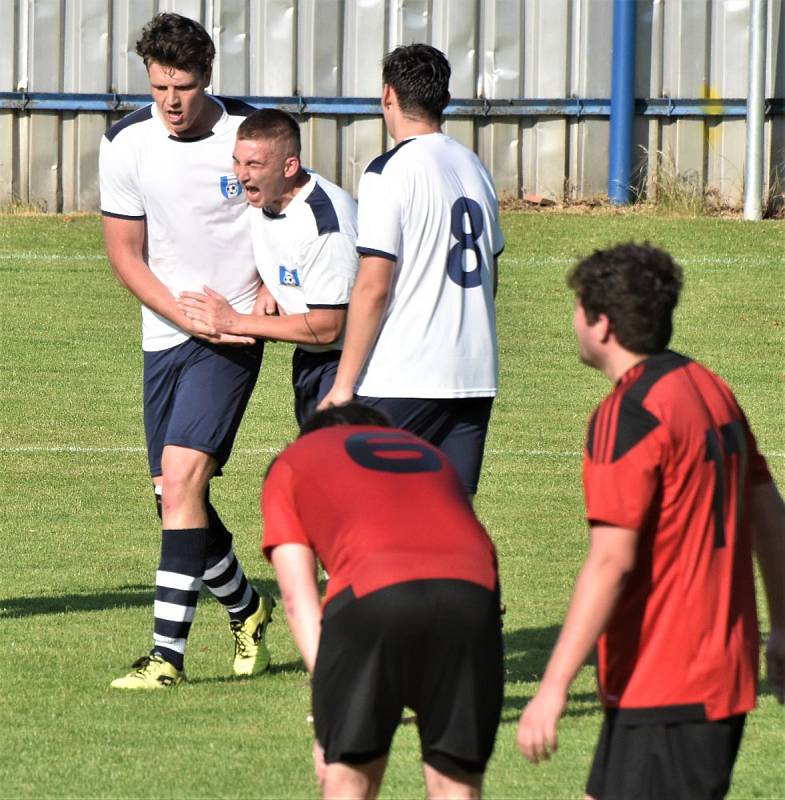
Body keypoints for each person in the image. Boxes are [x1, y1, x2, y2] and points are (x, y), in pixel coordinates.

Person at [516, 243, 785, 799]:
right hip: (709, 675)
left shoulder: (628, 415)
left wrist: (553, 687)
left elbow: (612, 561)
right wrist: (781, 626)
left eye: (578, 309)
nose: (574, 321)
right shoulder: (711, 389)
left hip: (668, 681)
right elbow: (769, 515)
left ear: (603, 324)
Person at [99, 12, 274, 689]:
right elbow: (125, 252)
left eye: (185, 87)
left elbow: (286, 211)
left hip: (231, 336)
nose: (171, 101)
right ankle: (248, 608)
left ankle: (166, 657)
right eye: (160, 87)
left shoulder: (248, 135)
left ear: (208, 80)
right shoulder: (126, 143)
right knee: (172, 497)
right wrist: (180, 316)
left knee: (180, 482)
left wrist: (259, 292)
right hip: (167, 333)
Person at [262, 402, 504, 800]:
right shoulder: (431, 456)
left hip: (372, 595)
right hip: (471, 597)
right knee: (456, 784)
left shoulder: (293, 461)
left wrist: (329, 708)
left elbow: (296, 597)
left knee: (351, 779)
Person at [318, 44, 504, 499]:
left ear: (387, 95)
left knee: (364, 508)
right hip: (474, 375)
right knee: (448, 521)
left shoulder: (389, 171)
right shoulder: (475, 167)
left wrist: (343, 386)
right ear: (444, 98)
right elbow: (491, 276)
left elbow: (374, 286)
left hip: (406, 375)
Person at [177, 108, 358, 426]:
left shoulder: (325, 227)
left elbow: (329, 327)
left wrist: (235, 322)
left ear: (290, 166)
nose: (241, 174)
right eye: (238, 161)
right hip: (312, 359)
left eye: (254, 165)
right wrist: (268, 284)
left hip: (350, 364)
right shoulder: (268, 197)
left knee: (339, 469)